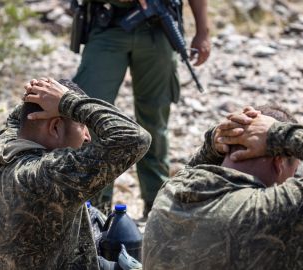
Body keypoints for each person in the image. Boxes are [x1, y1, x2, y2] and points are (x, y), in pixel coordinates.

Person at [143, 105, 303, 269]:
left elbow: (196, 166)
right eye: (294, 170)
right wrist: (280, 134)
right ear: (279, 163)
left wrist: (215, 140)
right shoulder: (274, 210)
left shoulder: (173, 189)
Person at [0, 78, 151, 269]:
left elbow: (21, 117)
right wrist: (66, 102)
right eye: (82, 126)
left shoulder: (1, 147)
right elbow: (135, 138)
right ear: (55, 127)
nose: (88, 137)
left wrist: (40, 93)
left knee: (93, 216)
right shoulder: (48, 175)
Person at [72, 0, 210, 215]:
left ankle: (156, 207)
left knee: (154, 120)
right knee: (90, 114)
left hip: (157, 25)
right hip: (108, 23)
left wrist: (203, 31)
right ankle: (95, 208)